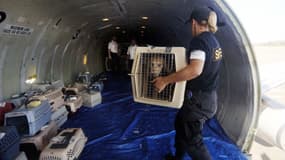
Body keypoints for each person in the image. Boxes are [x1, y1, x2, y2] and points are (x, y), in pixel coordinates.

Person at [152, 7, 223, 160]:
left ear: (194, 23)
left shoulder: (199, 41)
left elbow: (195, 70)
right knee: (180, 124)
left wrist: (165, 80)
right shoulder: (214, 41)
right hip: (208, 98)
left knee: (193, 142)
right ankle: (178, 157)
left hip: (198, 102)